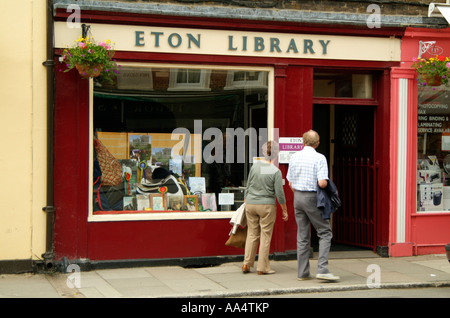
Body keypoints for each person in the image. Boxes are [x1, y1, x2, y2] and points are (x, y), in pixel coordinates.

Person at [286, 130, 340, 281]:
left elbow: (290, 182)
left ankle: (302, 273)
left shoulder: (294, 157)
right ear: (317, 143)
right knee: (325, 232)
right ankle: (322, 269)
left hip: (297, 197)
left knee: (302, 236)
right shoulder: (319, 158)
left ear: (303, 142)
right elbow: (322, 182)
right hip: (312, 197)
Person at [242, 141, 288, 275]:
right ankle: (262, 267)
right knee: (265, 235)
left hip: (251, 204)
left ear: (263, 152)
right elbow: (279, 194)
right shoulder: (275, 171)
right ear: (276, 154)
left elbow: (248, 185)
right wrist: (284, 209)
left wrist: (247, 198)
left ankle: (246, 263)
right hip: (266, 205)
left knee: (252, 234)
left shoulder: (254, 167)